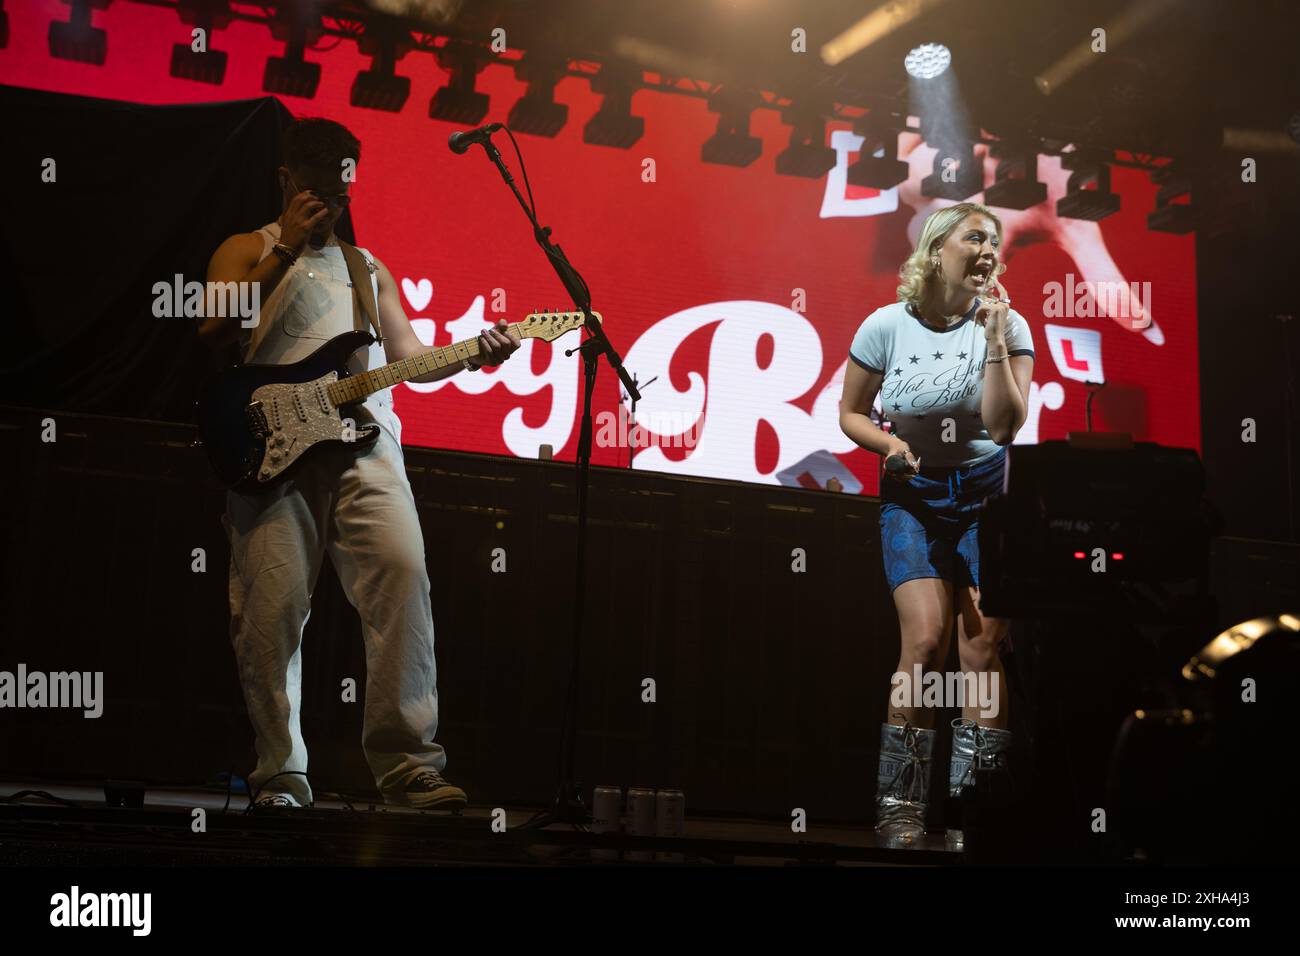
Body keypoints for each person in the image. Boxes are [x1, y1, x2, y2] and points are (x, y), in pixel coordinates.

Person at [198, 117, 520, 810]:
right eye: (314, 193)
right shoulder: (244, 248)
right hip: (272, 450)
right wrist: (282, 245)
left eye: (339, 195)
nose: (329, 207)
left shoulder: (367, 268)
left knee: (403, 577)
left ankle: (408, 766)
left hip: (365, 440)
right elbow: (213, 326)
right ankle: (280, 773)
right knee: (271, 609)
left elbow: (406, 360)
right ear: (287, 182)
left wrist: (475, 351)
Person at [838, 201, 1035, 848]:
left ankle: (976, 813)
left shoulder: (1009, 328)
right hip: (914, 497)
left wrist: (999, 340)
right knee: (924, 643)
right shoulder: (886, 325)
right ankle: (900, 807)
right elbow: (852, 413)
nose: (988, 250)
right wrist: (890, 447)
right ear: (938, 247)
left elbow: (1006, 426)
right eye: (975, 237)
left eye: (995, 243)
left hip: (988, 500)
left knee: (978, 650)